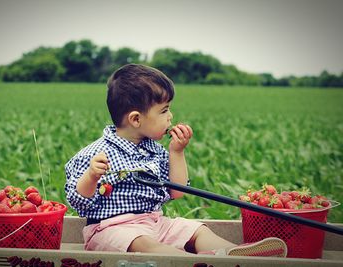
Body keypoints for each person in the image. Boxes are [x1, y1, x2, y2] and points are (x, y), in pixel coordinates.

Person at [65, 64, 287, 256]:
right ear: (135, 119)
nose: (170, 116)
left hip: (155, 223)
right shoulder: (94, 154)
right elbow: (78, 201)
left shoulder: (155, 151)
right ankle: (192, 261)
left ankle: (232, 254)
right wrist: (92, 176)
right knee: (144, 244)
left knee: (195, 230)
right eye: (164, 110)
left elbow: (177, 191)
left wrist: (177, 152)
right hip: (111, 230)